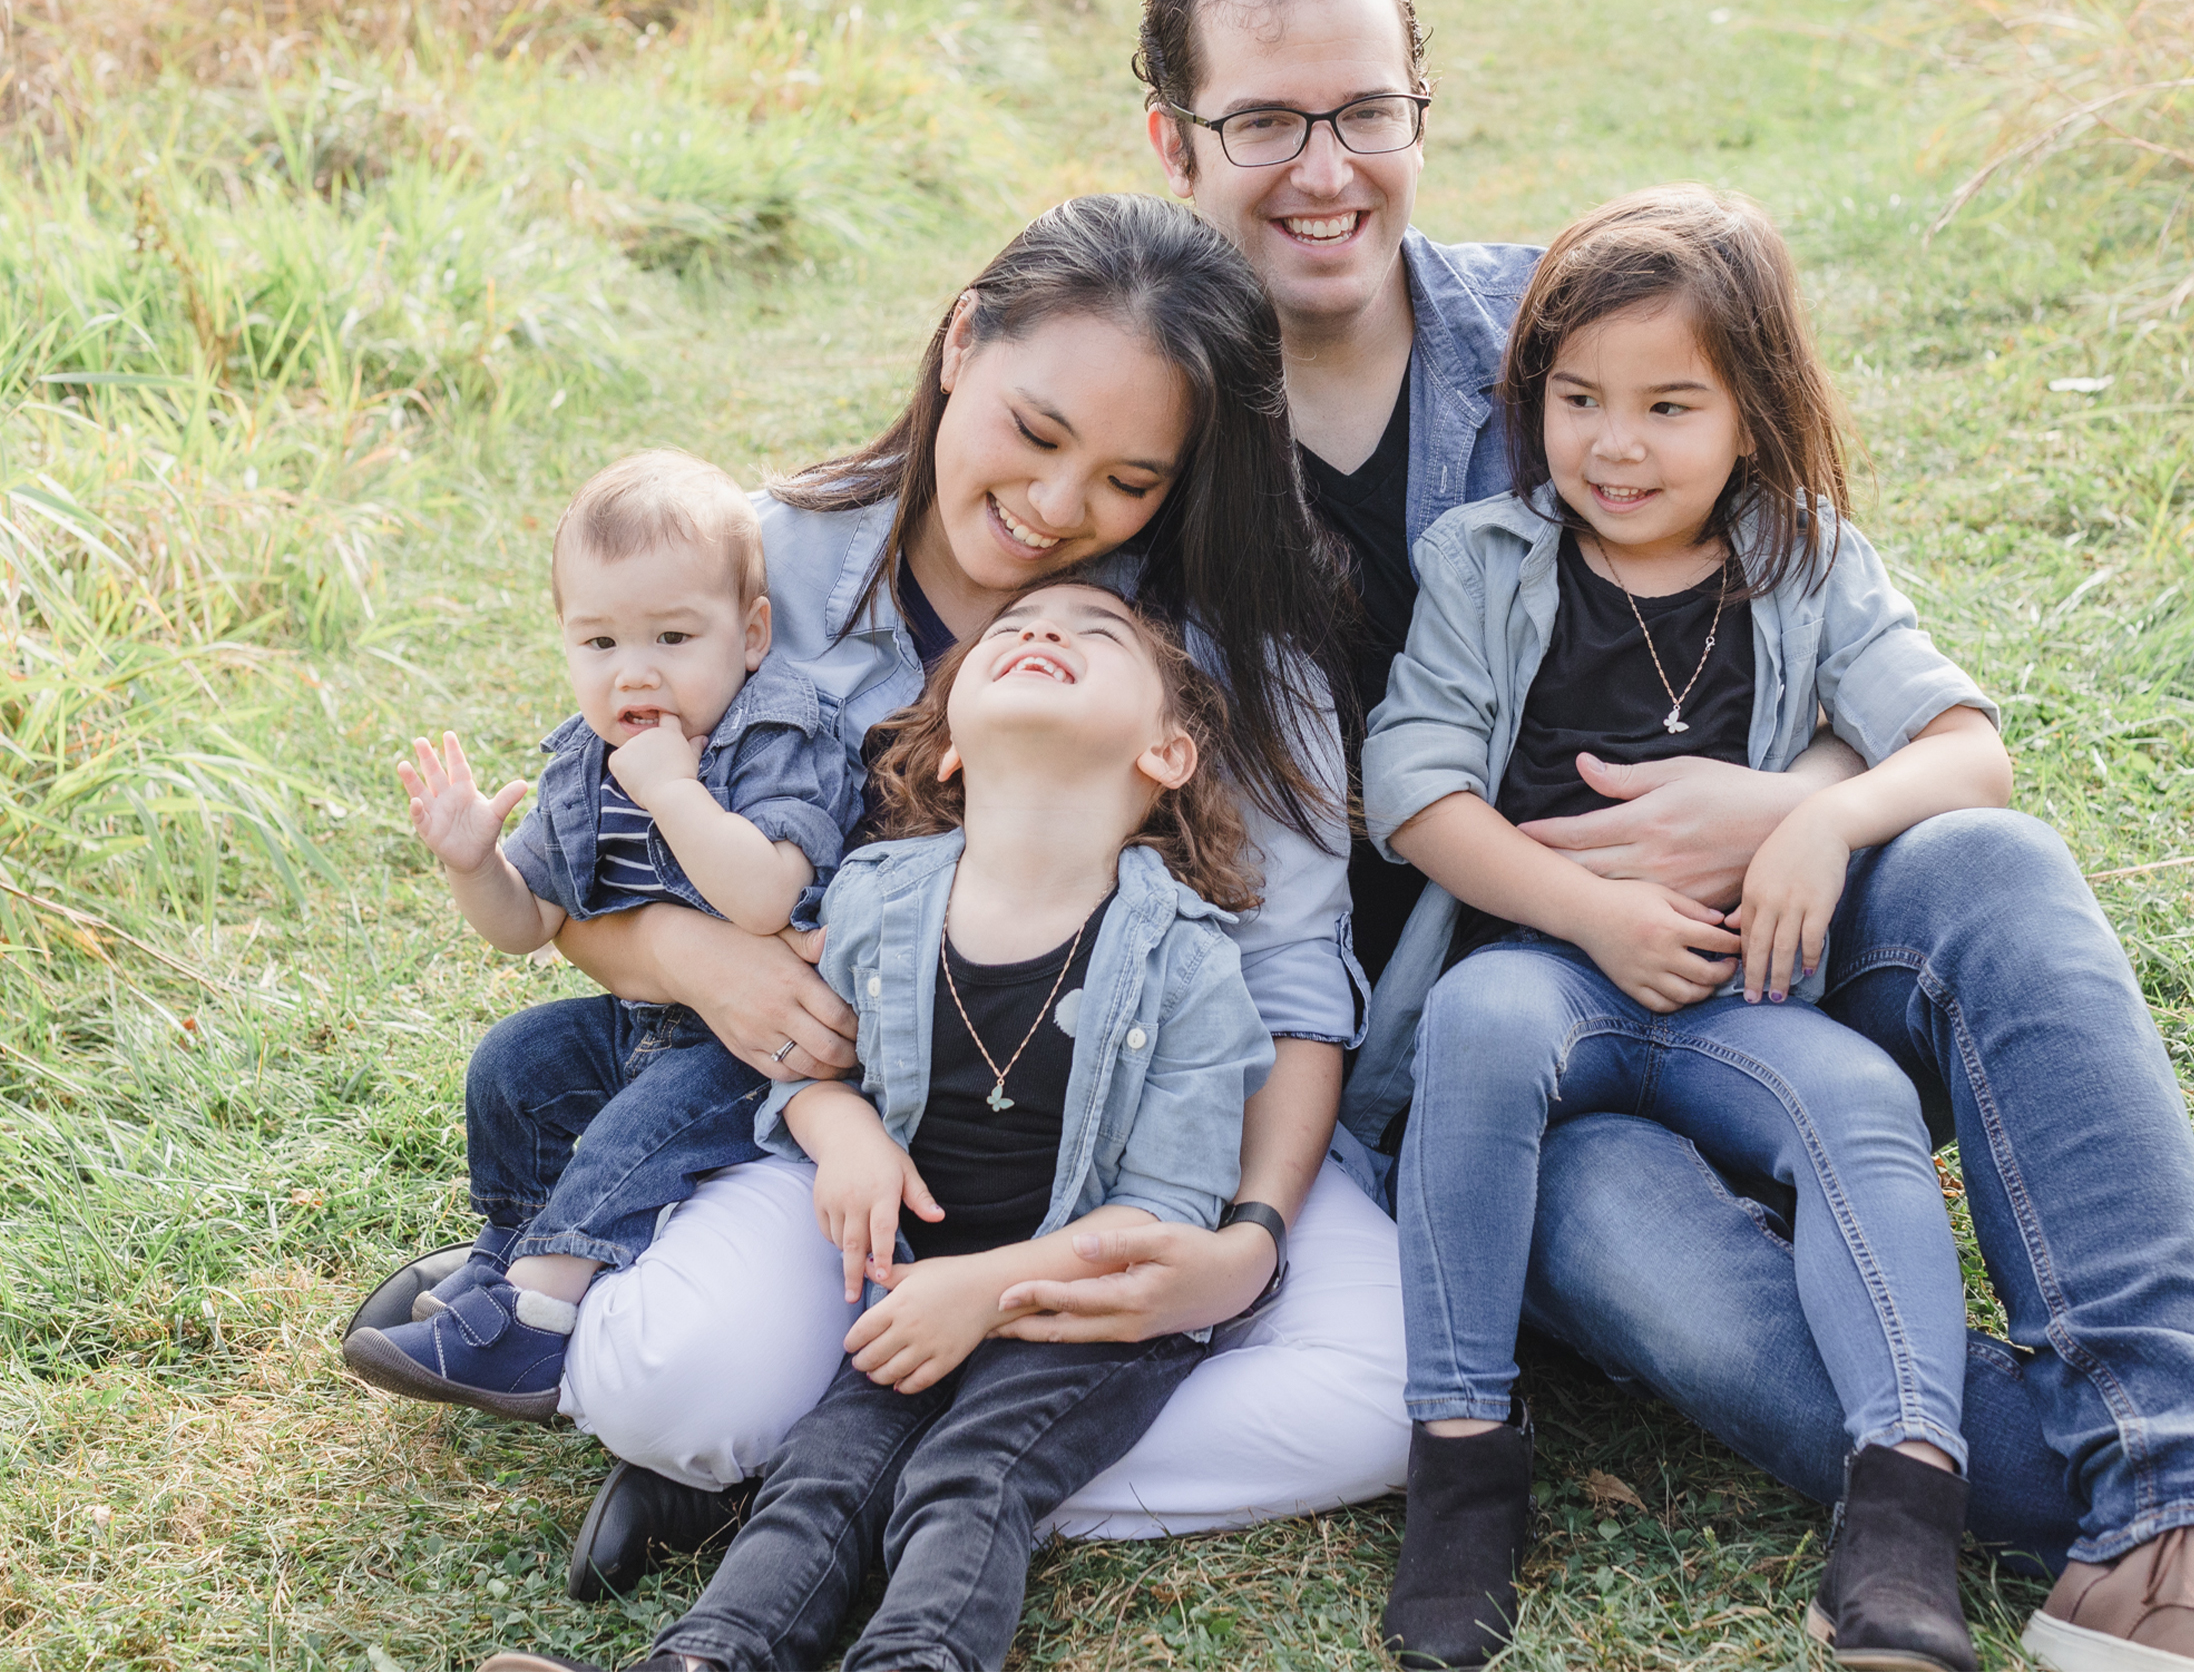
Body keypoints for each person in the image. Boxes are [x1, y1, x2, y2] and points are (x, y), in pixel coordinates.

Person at [1129, 0, 2194, 1672]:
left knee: (1994, 867)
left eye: (1363, 109)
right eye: (1264, 121)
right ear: (1176, 139)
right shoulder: (1139, 436)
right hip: (1496, 1059)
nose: (1325, 168)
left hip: (1763, 952)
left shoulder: (1564, 336)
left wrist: (1787, 807)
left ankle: (2184, 1525)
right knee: (1713, 1311)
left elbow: (1830, 638)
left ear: (1417, 109)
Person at [348, 191, 1414, 1594]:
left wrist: (1245, 1241)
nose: (1054, 508)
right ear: (962, 340)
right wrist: (693, 954)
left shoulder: (1230, 653)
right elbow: (589, 874)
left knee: (1389, 1387)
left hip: (1152, 1146)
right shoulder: (752, 565)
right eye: (1036, 434)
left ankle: (857, 1478)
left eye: (1127, 480)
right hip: (856, 1147)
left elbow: (1288, 993)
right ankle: (817, 1429)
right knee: (672, 1381)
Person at [1365, 186, 2009, 1671]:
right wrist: (1590, 909)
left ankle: (1905, 1502)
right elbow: (1411, 785)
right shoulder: (1487, 556)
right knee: (1481, 1019)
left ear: (1752, 412)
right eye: (1578, 398)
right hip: (1535, 975)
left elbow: (1967, 747)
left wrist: (1814, 818)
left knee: (1851, 1097)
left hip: (1734, 998)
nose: (1615, 444)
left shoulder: (1803, 554)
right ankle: (1461, 1460)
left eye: (1669, 404)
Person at [476, 575, 1277, 1672]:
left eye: (1093, 635)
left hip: (1081, 1315)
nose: (1042, 630)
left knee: (971, 1476)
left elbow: (1166, 1214)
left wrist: (984, 1291)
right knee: (822, 1475)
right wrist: (841, 1130)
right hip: (906, 1282)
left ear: (1166, 755)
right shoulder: (877, 897)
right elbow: (803, 1069)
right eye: (1012, 630)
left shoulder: (1189, 962)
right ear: (948, 746)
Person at [346, 451, 848, 1421]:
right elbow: (527, 924)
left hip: (754, 1049)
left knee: (637, 1127)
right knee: (515, 1063)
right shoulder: (587, 761)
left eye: (671, 635)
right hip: (645, 1016)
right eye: (600, 643)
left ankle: (535, 1325)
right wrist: (472, 864)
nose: (635, 672)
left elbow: (765, 898)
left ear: (750, 635)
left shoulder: (776, 731)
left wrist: (671, 789)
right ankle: (506, 1252)